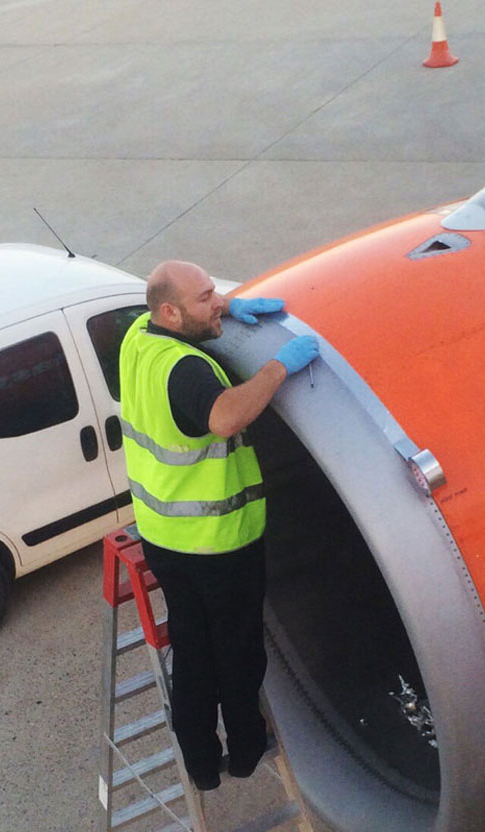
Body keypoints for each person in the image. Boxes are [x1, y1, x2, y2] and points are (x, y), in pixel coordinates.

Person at [119, 260, 318, 790]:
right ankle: (247, 749)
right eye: (206, 298)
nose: (218, 304)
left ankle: (202, 766)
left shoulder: (139, 338)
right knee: (236, 653)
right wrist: (279, 367)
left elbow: (182, 315)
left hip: (163, 536)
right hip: (217, 544)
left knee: (191, 649)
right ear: (171, 311)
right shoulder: (185, 371)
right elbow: (227, 416)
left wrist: (228, 308)